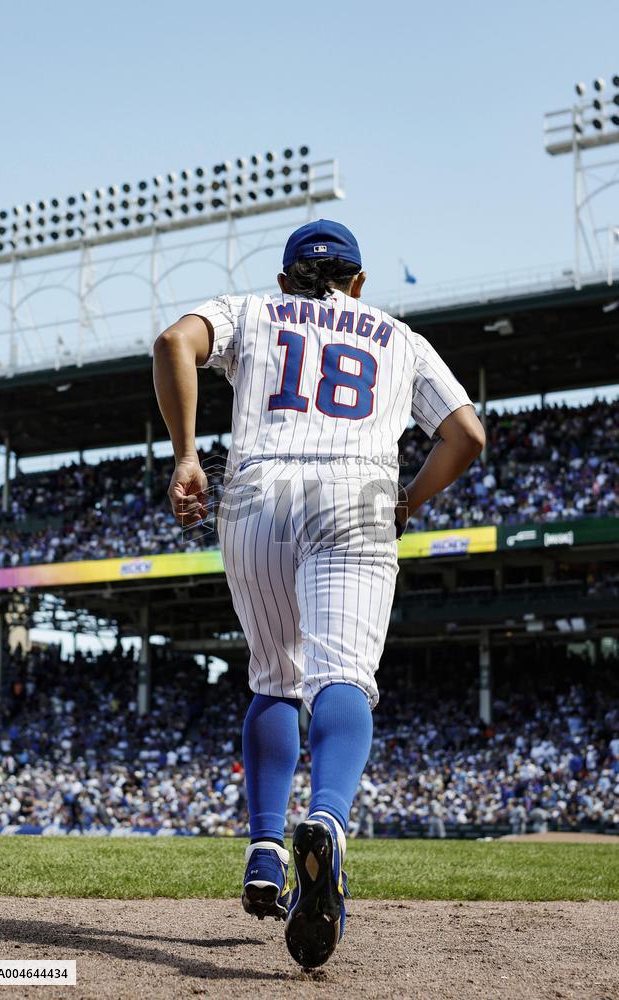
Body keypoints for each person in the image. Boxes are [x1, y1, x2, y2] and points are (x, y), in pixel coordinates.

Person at [153, 219, 485, 969]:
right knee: (341, 678)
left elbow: (174, 342)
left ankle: (266, 849)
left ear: (284, 277)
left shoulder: (253, 309)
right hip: (356, 493)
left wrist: (186, 458)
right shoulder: (397, 335)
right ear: (359, 281)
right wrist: (405, 506)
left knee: (273, 674)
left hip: (256, 492)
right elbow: (465, 435)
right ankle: (327, 823)